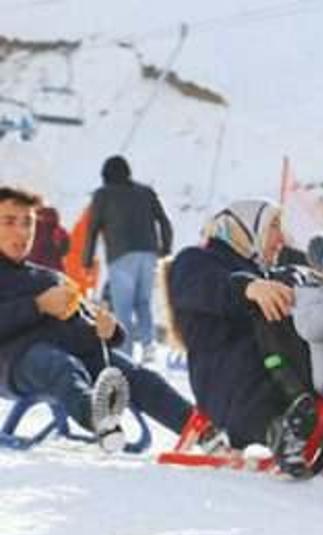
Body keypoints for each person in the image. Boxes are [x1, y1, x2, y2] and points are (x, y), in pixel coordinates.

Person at [0, 186, 192, 450]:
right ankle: (99, 419)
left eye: (28, 223)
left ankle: (196, 426)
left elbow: (80, 325)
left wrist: (107, 330)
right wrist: (37, 306)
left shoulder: (49, 278)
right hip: (13, 363)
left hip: (68, 354)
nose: (22, 232)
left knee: (131, 373)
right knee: (57, 365)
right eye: (9, 222)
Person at [167, 199, 323, 477]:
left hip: (269, 371)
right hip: (225, 378)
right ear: (246, 227)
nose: (281, 237)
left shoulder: (263, 270)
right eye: (273, 226)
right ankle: (278, 430)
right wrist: (248, 288)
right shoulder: (196, 259)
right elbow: (208, 288)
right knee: (265, 351)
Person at [83, 155, 174, 364]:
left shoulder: (103, 195)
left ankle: (125, 354)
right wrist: (165, 249)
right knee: (143, 302)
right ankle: (148, 345)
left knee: (122, 306)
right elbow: (164, 221)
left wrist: (87, 261)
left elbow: (93, 229)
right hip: (149, 254)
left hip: (120, 255)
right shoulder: (146, 192)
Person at [28, 206, 70, 271]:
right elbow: (64, 251)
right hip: (51, 268)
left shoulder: (39, 228)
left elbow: (64, 250)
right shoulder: (60, 231)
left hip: (42, 267)